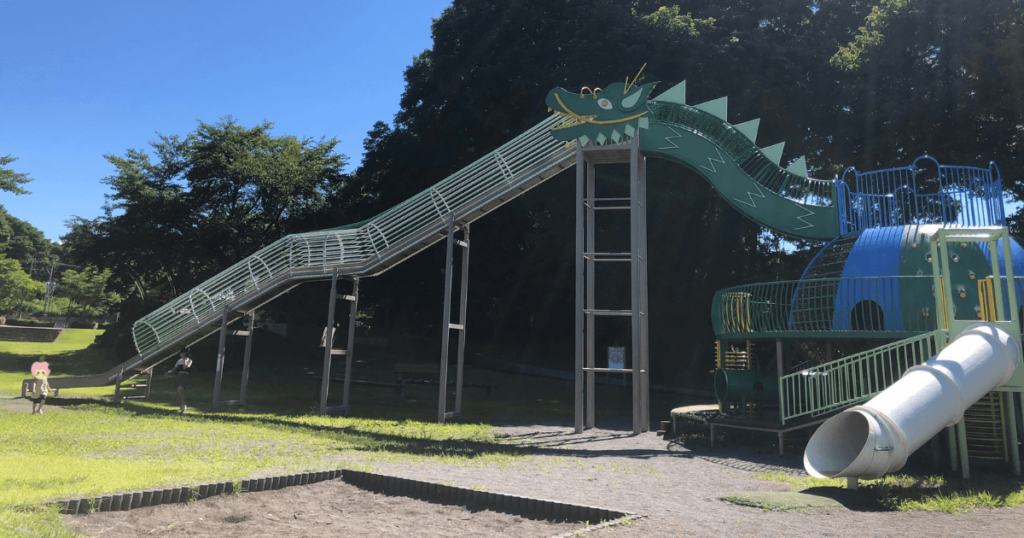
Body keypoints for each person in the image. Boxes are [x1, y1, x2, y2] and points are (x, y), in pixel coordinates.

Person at [167, 349, 193, 414]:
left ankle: (184, 405)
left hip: (185, 376)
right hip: (179, 375)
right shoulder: (179, 360)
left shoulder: (189, 360)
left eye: (182, 353)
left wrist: (185, 361)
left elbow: (185, 368)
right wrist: (169, 372)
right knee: (178, 391)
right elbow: (175, 368)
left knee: (180, 389)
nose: (180, 354)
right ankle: (181, 406)